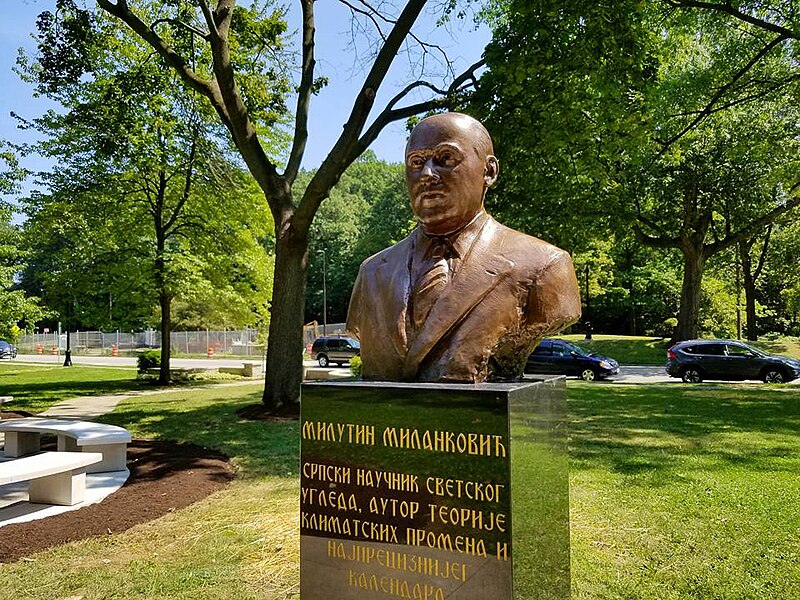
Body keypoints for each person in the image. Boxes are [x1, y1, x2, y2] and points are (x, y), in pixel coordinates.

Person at [346, 112, 581, 382]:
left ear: (489, 171)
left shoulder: (545, 266)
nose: (427, 174)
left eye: (445, 159)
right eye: (416, 162)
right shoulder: (372, 272)